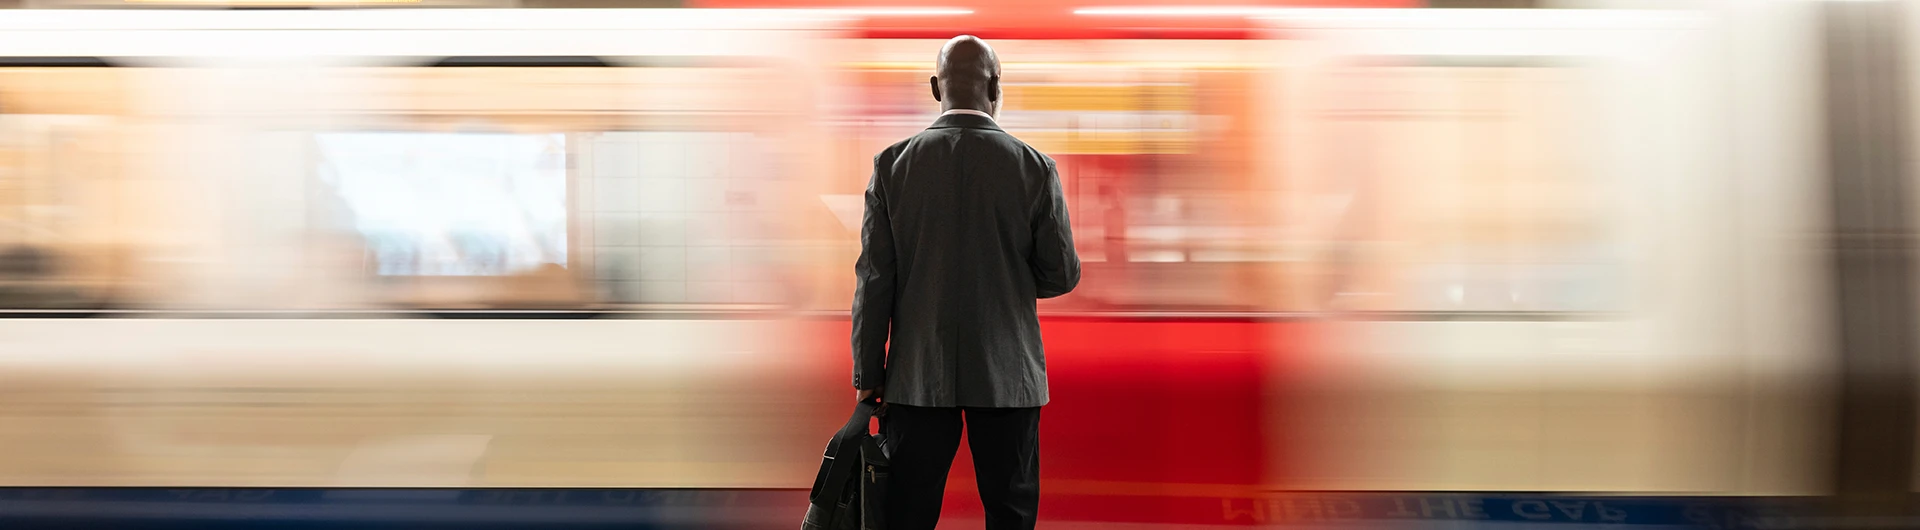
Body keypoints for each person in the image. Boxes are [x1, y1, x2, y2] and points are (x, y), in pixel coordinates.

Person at [851, 35, 1081, 530]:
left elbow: (874, 284)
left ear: (936, 88)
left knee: (907, 517)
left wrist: (869, 379)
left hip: (916, 379)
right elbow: (1061, 274)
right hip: (1008, 379)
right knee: (1010, 515)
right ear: (996, 86)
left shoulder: (892, 166)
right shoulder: (1035, 168)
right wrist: (1005, 280)